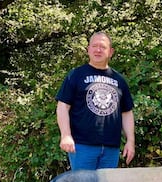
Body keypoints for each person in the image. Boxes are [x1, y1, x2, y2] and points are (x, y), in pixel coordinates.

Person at [55, 31, 135, 170]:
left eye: (103, 47)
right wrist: (66, 135)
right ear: (88, 49)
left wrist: (131, 141)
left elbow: (126, 113)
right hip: (82, 147)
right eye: (94, 46)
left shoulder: (119, 80)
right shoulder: (76, 75)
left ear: (110, 52)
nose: (98, 50)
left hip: (111, 149)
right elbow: (63, 106)